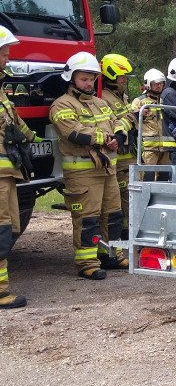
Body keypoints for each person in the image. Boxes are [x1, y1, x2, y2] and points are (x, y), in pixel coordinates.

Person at [49, 51, 129, 279]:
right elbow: (74, 133)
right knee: (88, 219)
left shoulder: (101, 103)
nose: (89, 83)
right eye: (84, 79)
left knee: (113, 215)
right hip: (83, 173)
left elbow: (117, 122)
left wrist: (120, 136)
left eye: (92, 79)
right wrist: (106, 138)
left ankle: (110, 255)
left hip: (107, 170)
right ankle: (86, 263)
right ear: (71, 78)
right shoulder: (61, 105)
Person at [0, 28, 38, 308]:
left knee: (9, 228)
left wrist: (32, 139)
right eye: (4, 54)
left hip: (7, 174)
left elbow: (11, 120)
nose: (8, 59)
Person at [99, 53, 137, 239]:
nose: (125, 80)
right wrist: (134, 117)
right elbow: (115, 125)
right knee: (124, 198)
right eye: (122, 76)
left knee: (130, 196)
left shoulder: (121, 96)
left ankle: (128, 233)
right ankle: (125, 235)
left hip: (129, 155)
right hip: (119, 158)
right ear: (111, 76)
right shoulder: (104, 98)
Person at [132, 69, 170, 181]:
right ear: (148, 84)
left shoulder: (165, 100)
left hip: (165, 147)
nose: (159, 86)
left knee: (164, 179)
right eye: (156, 83)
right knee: (147, 177)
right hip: (149, 148)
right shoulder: (139, 102)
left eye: (161, 83)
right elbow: (132, 122)